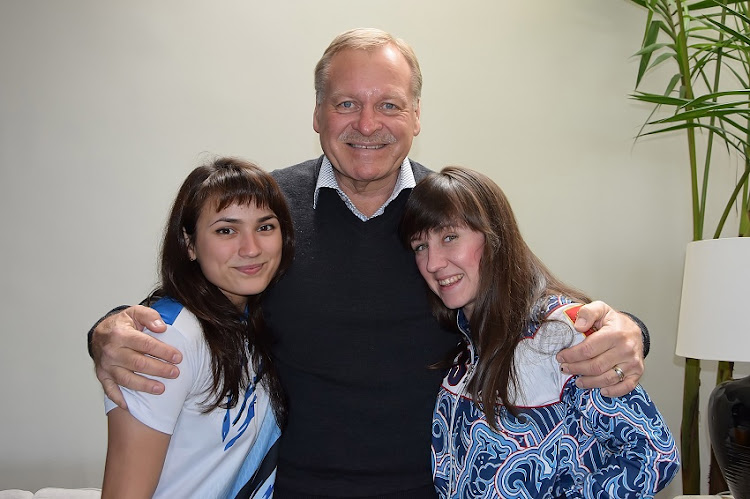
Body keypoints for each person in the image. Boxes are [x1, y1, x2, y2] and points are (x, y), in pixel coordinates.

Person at [89, 29, 650, 497]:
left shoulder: (453, 217)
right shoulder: (271, 212)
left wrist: (630, 331)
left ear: (416, 115)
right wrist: (107, 328)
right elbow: (199, 297)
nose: (367, 123)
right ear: (317, 114)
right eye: (346, 103)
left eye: (388, 104)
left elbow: (539, 304)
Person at [400, 166, 679, 498]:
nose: (433, 263)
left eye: (449, 237)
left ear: (494, 238)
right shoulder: (464, 343)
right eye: (420, 246)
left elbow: (653, 454)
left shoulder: (559, 334)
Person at [101, 158, 294, 498]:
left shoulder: (249, 320)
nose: (251, 248)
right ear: (189, 244)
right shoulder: (167, 338)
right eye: (226, 230)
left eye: (265, 227)